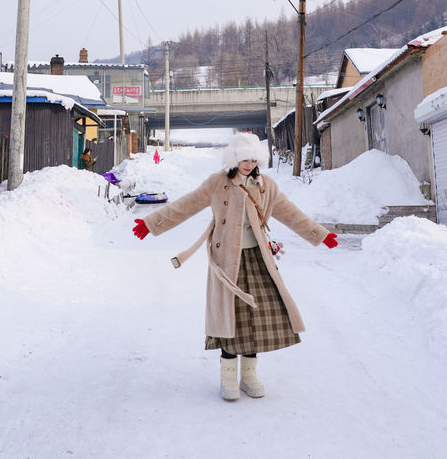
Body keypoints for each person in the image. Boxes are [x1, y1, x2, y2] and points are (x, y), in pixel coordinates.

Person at [132, 132, 338, 401]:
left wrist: (319, 234)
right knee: (231, 319)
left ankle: (249, 376)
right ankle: (228, 378)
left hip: (257, 260)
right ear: (233, 158)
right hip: (227, 262)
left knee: (256, 319)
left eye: (253, 158)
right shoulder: (218, 183)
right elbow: (186, 205)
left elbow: (291, 213)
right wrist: (151, 223)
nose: (248, 164)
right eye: (243, 158)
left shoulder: (266, 186)